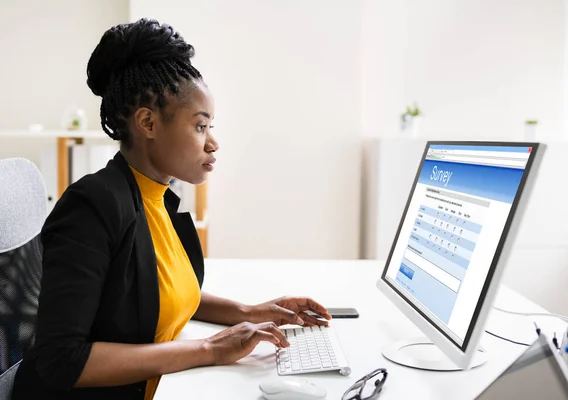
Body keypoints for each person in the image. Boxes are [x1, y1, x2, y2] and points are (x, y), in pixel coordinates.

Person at [12, 18, 331, 400]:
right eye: (200, 126)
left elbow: (156, 295)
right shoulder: (93, 207)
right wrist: (210, 349)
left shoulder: (158, 199)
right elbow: (60, 358)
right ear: (147, 122)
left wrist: (251, 311)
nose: (213, 143)